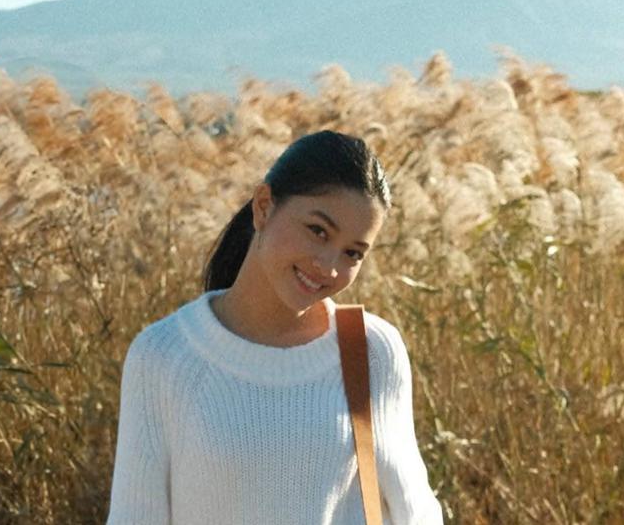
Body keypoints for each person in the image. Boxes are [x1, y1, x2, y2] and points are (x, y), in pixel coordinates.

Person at [105, 130, 443, 524]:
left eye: (353, 253)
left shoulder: (370, 349)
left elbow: (415, 512)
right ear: (264, 207)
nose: (329, 267)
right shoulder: (163, 356)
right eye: (318, 231)